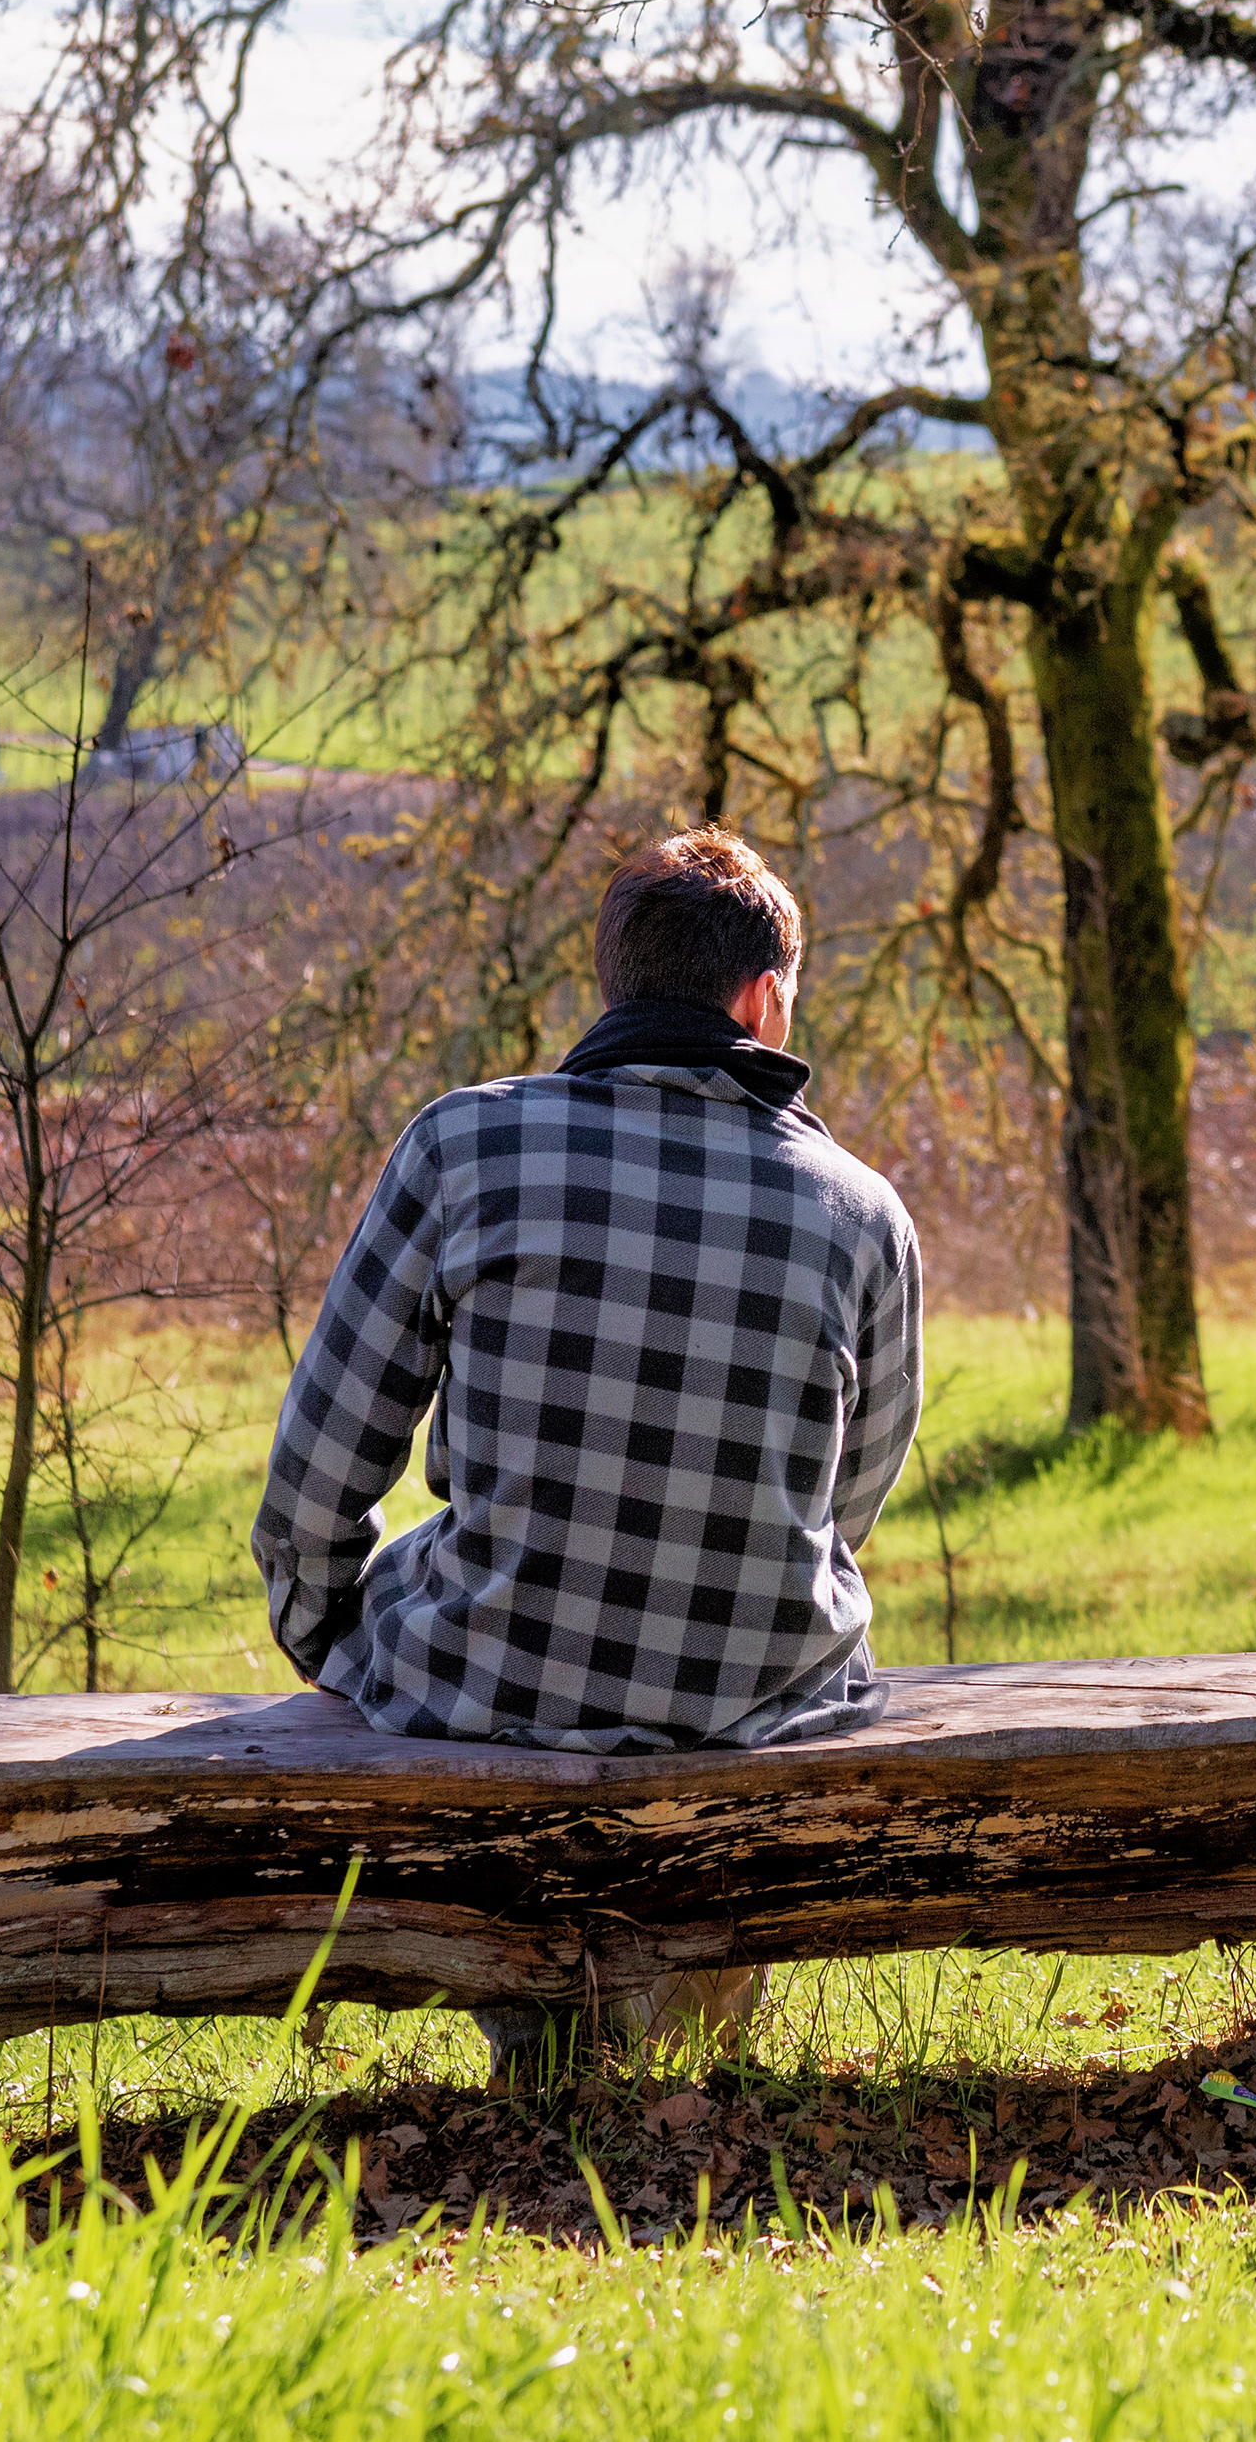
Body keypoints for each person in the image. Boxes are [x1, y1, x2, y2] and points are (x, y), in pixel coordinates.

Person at [253, 825, 921, 2071]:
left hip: (495, 1680)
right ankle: (693, 2051)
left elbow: (319, 1470)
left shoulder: (464, 1145)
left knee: (430, 1576)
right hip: (756, 1693)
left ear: (617, 983)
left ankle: (550, 2051)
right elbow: (847, 1503)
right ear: (766, 998)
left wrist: (332, 1638)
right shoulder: (861, 1211)